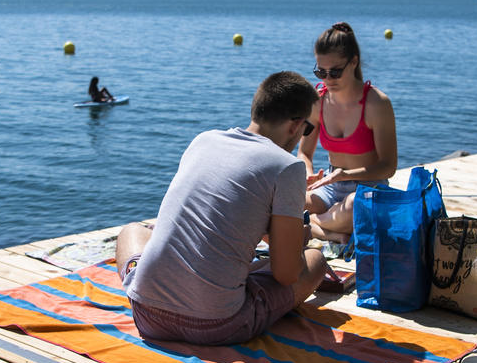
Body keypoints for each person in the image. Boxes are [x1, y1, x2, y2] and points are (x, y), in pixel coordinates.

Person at [115, 71, 329, 346]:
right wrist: (296, 241)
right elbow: (286, 274)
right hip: (218, 325)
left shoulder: (204, 140)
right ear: (295, 125)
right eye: (308, 129)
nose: (304, 135)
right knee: (315, 261)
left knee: (133, 231)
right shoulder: (287, 166)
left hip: (147, 315)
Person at [296, 22, 398, 242]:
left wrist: (346, 175)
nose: (327, 79)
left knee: (356, 206)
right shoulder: (318, 101)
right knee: (283, 200)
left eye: (335, 72)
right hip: (330, 188)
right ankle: (332, 232)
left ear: (353, 62)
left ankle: (312, 225)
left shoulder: (377, 104)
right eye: (320, 71)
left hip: (369, 188)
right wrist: (307, 172)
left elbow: (388, 166)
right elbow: (304, 153)